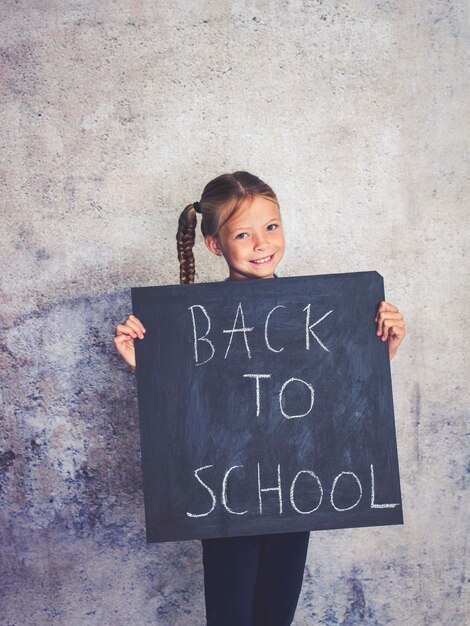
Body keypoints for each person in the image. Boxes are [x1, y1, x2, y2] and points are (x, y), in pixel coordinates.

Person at [113, 171, 407, 625]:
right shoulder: (197, 322)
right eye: (242, 234)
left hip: (298, 491)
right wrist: (145, 364)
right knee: (232, 617)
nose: (261, 243)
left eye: (271, 227)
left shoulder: (321, 312)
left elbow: (336, 394)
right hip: (227, 494)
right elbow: (192, 403)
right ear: (214, 245)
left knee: (276, 615)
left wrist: (378, 348)